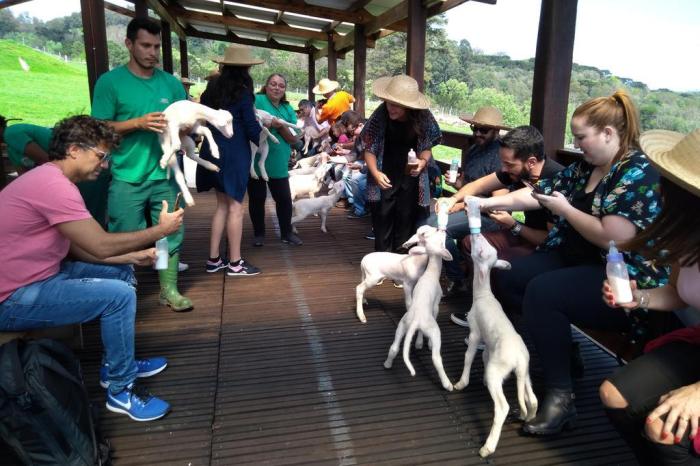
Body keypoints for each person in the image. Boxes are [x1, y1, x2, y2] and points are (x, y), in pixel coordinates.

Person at [473, 89, 670, 435]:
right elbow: (539, 193)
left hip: (624, 279)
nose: (577, 145)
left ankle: (561, 399)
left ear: (608, 134)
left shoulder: (638, 173)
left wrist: (566, 209)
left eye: (581, 137)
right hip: (575, 258)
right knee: (507, 276)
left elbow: (615, 237)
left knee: (543, 293)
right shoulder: (585, 167)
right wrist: (483, 203)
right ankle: (563, 349)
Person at [0, 115, 184, 422]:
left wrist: (128, 258)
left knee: (122, 274)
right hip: (10, 298)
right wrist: (159, 232)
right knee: (118, 296)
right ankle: (121, 390)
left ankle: (115, 364)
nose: (104, 164)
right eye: (100, 156)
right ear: (73, 150)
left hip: (39, 275)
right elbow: (98, 245)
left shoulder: (53, 179)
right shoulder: (53, 186)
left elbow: (74, 247)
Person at [600, 128, 700, 465]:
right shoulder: (688, 235)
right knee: (614, 395)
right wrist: (637, 298)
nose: (659, 186)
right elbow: (678, 293)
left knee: (664, 427)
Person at [91, 17, 191, 311]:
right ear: (129, 44)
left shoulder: (171, 84)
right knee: (125, 235)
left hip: (166, 173)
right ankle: (123, 292)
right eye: (145, 45)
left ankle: (168, 289)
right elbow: (98, 127)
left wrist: (185, 130)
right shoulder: (110, 82)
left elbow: (183, 125)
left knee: (169, 231)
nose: (152, 52)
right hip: (126, 174)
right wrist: (137, 123)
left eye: (156, 46)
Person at [437, 125, 563, 325]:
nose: (504, 169)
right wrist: (453, 199)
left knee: (501, 263)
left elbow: (550, 240)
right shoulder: (517, 171)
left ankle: (499, 322)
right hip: (524, 234)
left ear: (531, 162)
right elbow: (479, 185)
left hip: (551, 249)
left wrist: (513, 224)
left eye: (509, 164)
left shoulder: (555, 179)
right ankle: (481, 309)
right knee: (471, 243)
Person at [196, 44, 265, 276]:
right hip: (234, 152)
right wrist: (265, 137)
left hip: (211, 150)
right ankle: (235, 263)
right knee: (236, 207)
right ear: (245, 67)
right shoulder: (242, 91)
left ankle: (214, 259)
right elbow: (250, 127)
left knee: (222, 206)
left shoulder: (211, 89)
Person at [426, 106, 510, 295]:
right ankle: (456, 270)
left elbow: (498, 202)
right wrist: (457, 183)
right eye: (475, 128)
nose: (478, 133)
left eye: (484, 130)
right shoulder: (473, 149)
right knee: (427, 218)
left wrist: (460, 204)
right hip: (469, 209)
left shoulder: (499, 156)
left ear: (496, 131)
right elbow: (468, 185)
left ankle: (457, 279)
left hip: (490, 216)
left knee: (437, 228)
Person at [360, 74, 441, 252]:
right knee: (382, 215)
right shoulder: (380, 115)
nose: (391, 108)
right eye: (389, 102)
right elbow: (369, 148)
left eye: (396, 105)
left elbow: (427, 146)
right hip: (384, 170)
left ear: (409, 106)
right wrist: (375, 172)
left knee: (406, 216)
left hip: (411, 174)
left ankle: (401, 260)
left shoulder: (423, 117)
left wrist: (422, 162)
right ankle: (382, 260)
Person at [0, 116, 110, 226]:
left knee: (89, 216)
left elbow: (46, 160)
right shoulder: (11, 148)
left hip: (81, 170)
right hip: (69, 175)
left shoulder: (11, 133)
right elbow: (23, 177)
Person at [248, 73, 303, 247]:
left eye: (281, 85)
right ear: (266, 85)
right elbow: (248, 122)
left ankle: (286, 232)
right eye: (273, 84)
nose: (277, 88)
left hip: (279, 159)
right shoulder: (257, 100)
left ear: (285, 89)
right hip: (255, 158)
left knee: (284, 198)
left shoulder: (287, 109)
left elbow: (293, 139)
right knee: (257, 198)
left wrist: (278, 125)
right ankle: (259, 233)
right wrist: (266, 124)